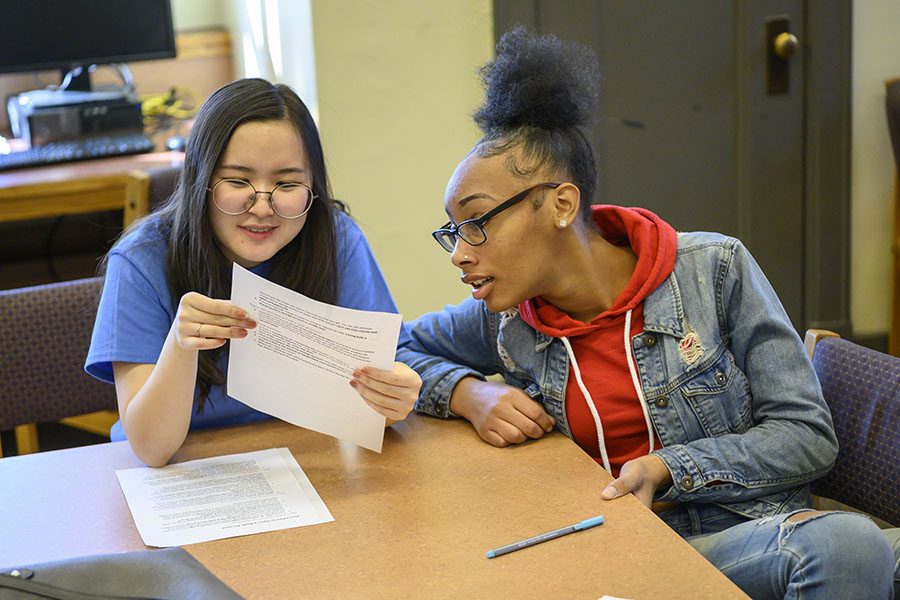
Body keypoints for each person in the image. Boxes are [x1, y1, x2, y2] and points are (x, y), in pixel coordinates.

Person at [398, 27, 899, 599]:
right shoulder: (505, 318)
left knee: (851, 547)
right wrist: (469, 393)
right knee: (849, 546)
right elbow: (394, 347)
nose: (461, 252)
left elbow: (807, 437)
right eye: (453, 231)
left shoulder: (715, 269)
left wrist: (668, 468)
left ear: (561, 205)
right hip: (619, 554)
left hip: (759, 538)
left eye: (477, 221)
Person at [86, 78, 420, 467]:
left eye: (287, 183)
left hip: (301, 462)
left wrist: (393, 399)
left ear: (313, 187)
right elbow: (151, 449)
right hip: (180, 474)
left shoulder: (336, 240)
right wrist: (180, 345)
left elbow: (384, 390)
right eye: (238, 180)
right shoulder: (141, 259)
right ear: (201, 180)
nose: (262, 206)